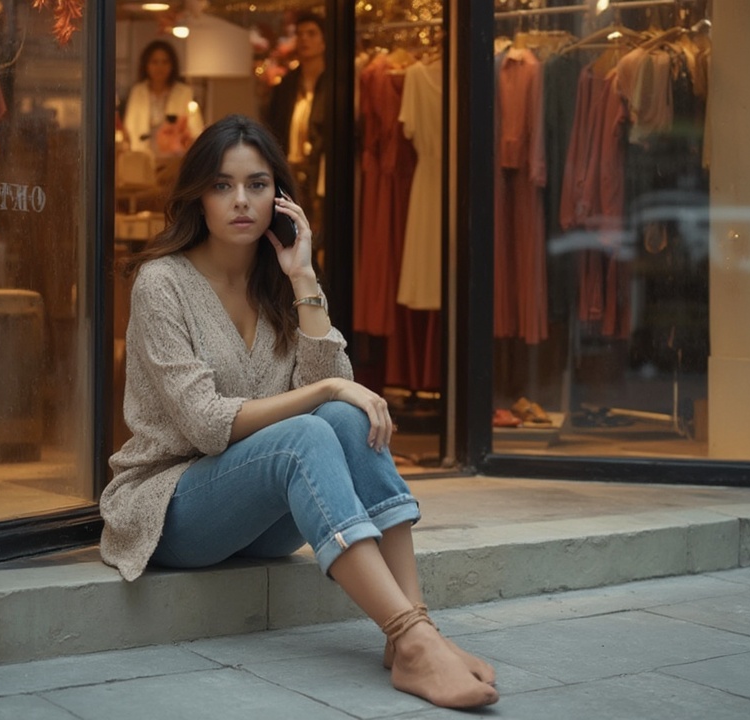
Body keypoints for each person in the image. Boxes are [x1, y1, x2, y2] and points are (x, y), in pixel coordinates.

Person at [99, 114, 499, 709]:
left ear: (280, 198)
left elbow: (335, 389)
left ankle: (416, 626)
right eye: (221, 185)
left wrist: (303, 274)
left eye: (257, 185)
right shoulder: (161, 284)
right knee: (313, 428)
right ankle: (411, 641)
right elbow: (207, 425)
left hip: (259, 512)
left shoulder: (283, 284)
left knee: (344, 419)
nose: (241, 201)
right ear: (198, 198)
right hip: (172, 508)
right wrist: (327, 395)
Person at [263, 12, 327, 240]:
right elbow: (273, 126)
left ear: (324, 40)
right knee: (290, 234)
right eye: (299, 34)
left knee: (322, 234)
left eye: (311, 34)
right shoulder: (287, 85)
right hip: (290, 167)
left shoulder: (333, 83)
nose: (304, 40)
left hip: (321, 171)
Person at [122, 39, 205, 189]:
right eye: (154, 62)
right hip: (142, 158)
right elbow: (130, 126)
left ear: (172, 65)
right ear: (146, 65)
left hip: (172, 161)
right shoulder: (138, 92)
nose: (159, 67)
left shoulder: (184, 93)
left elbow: (195, 128)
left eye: (165, 62)